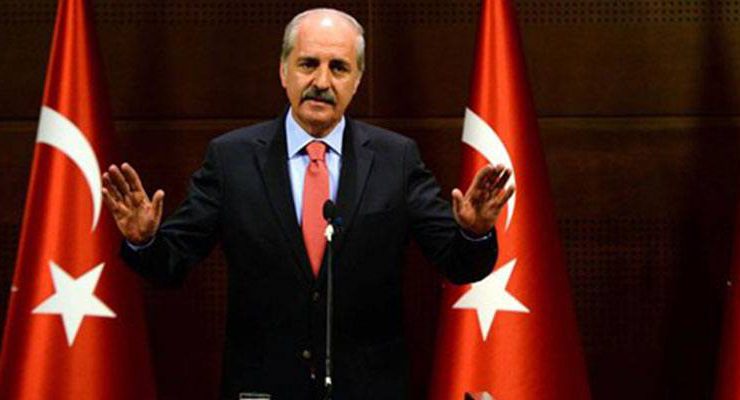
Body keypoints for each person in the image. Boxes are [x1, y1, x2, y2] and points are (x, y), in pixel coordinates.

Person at [101, 8, 514, 400]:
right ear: (283, 71)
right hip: (264, 386)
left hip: (367, 388)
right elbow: (171, 264)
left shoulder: (396, 159)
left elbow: (458, 264)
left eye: (339, 68)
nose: (321, 81)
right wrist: (144, 241)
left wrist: (473, 233)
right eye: (308, 64)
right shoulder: (232, 159)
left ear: (357, 80)